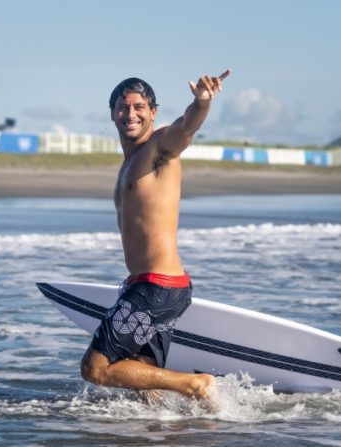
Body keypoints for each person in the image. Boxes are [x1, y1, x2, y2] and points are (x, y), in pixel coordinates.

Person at [80, 69, 231, 401]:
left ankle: (196, 384)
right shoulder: (130, 161)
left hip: (157, 287)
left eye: (139, 107)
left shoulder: (160, 147)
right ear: (112, 113)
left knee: (96, 369)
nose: (130, 114)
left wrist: (202, 103)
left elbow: (186, 127)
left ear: (153, 112)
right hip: (150, 285)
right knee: (149, 398)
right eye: (123, 107)